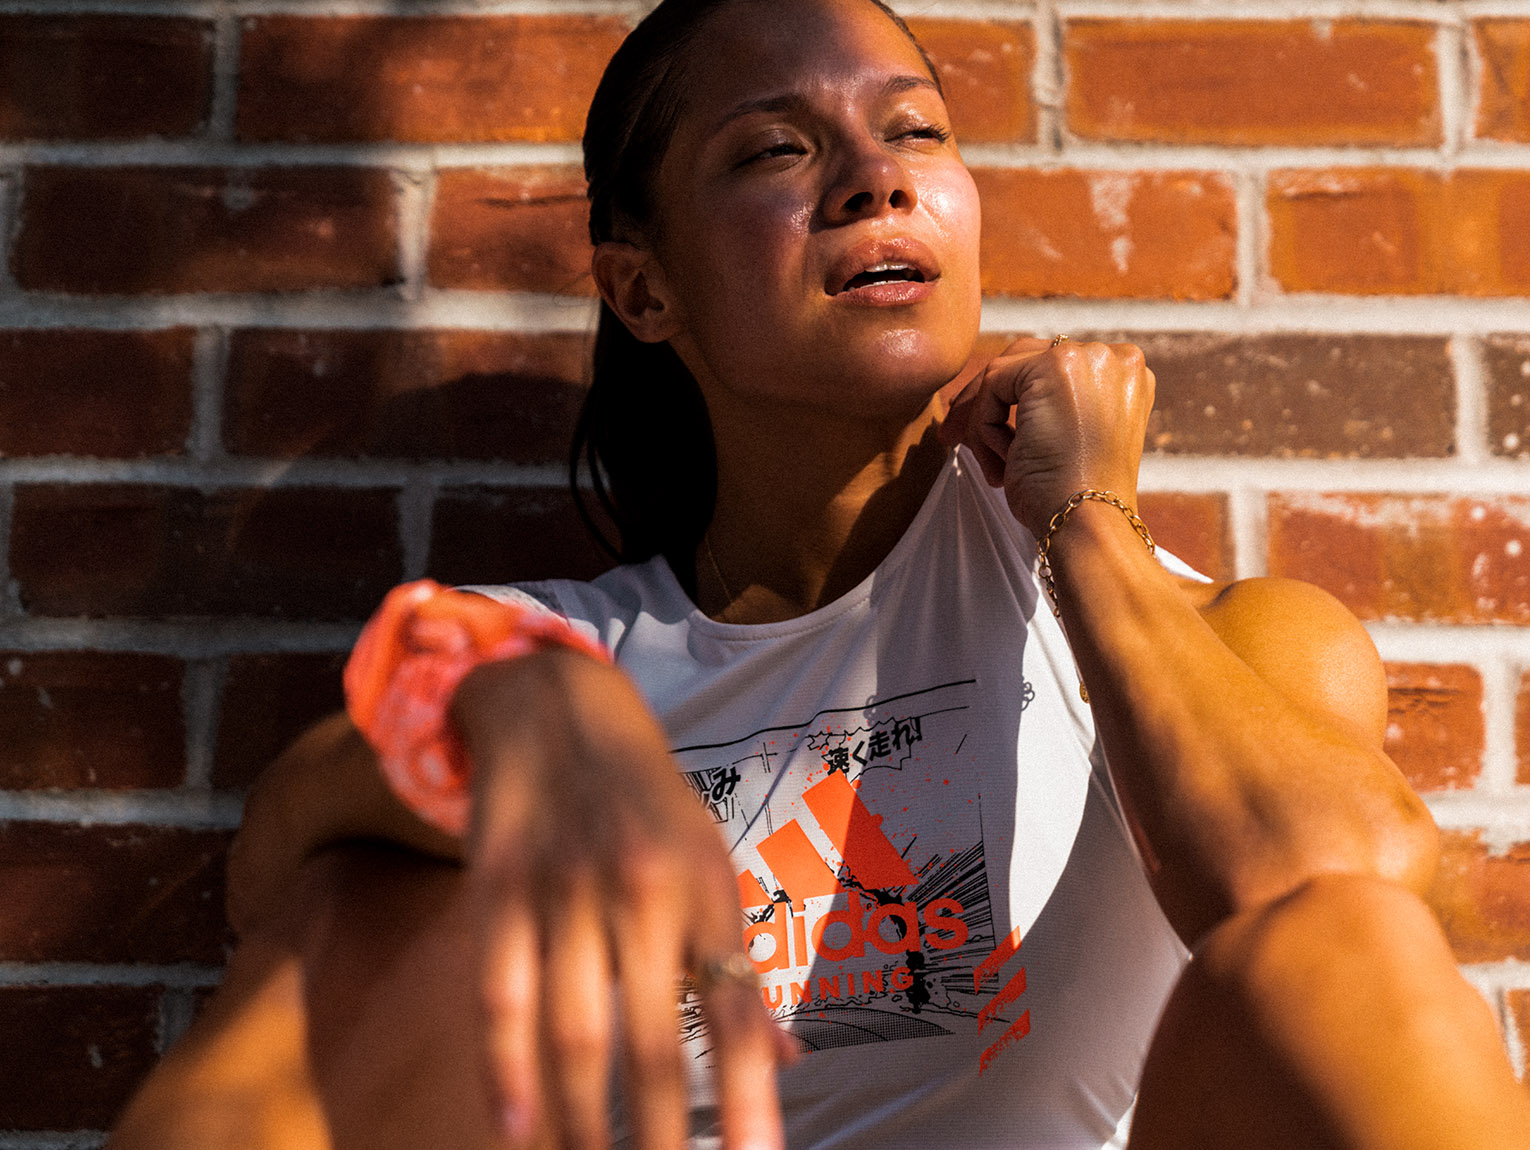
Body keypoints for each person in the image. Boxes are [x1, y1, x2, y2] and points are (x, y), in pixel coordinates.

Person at [110, 0, 1523, 1146]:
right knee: (370, 898)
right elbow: (279, 865)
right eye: (776, 151)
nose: (874, 173)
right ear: (643, 288)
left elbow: (1341, 904)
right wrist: (529, 712)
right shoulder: (550, 645)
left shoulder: (1206, 639)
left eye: (913, 130)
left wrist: (1084, 521)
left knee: (1340, 937)